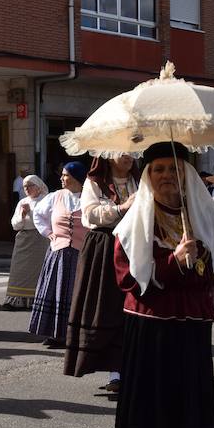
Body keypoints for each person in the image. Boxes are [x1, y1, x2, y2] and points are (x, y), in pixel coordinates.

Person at [110, 141, 214, 428]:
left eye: (174, 169)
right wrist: (172, 261)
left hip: (192, 325)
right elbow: (127, 276)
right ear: (148, 175)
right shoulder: (137, 219)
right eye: (159, 169)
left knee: (191, 404)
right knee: (159, 409)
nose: (167, 176)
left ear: (187, 175)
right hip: (152, 325)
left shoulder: (201, 213)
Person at [65, 155, 138, 393]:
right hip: (104, 246)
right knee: (106, 307)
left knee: (133, 308)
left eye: (131, 152)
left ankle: (133, 369)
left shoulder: (140, 180)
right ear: (108, 155)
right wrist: (122, 207)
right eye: (122, 152)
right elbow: (90, 215)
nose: (129, 156)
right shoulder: (94, 182)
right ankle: (115, 373)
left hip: (135, 245)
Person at [28, 161, 89, 348]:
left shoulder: (90, 197)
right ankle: (54, 333)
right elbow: (37, 214)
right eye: (62, 175)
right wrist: (49, 233)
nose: (62, 178)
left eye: (66, 175)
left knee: (77, 295)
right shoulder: (56, 196)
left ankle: (76, 334)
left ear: (77, 178)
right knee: (55, 293)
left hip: (82, 253)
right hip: (59, 252)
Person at [3, 175, 50, 311]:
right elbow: (15, 225)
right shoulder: (23, 201)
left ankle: (36, 300)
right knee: (18, 270)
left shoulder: (46, 200)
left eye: (30, 185)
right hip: (23, 238)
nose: (27, 189)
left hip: (40, 239)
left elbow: (46, 220)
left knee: (37, 271)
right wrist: (22, 215)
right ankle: (14, 300)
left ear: (39, 186)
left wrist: (31, 212)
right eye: (25, 186)